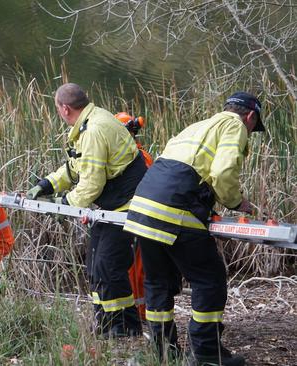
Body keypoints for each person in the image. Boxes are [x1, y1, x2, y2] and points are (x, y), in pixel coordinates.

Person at [123, 92, 263, 366]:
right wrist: (236, 201)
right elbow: (222, 172)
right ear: (250, 117)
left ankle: (163, 352)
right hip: (175, 209)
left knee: (158, 283)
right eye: (253, 126)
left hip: (142, 208)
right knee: (209, 281)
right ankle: (206, 354)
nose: (250, 131)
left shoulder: (197, 126)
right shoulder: (234, 125)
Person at [26, 84, 147, 337]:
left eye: (57, 108)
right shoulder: (91, 120)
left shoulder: (93, 130)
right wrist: (46, 184)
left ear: (64, 108)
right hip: (111, 205)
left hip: (126, 205)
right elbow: (75, 167)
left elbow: (91, 184)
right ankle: (106, 323)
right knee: (95, 265)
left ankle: (124, 326)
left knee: (108, 265)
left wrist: (64, 205)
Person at [115, 112, 154, 321]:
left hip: (137, 220)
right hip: (124, 220)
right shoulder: (135, 156)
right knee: (129, 267)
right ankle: (133, 312)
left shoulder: (140, 159)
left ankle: (139, 313)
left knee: (138, 269)